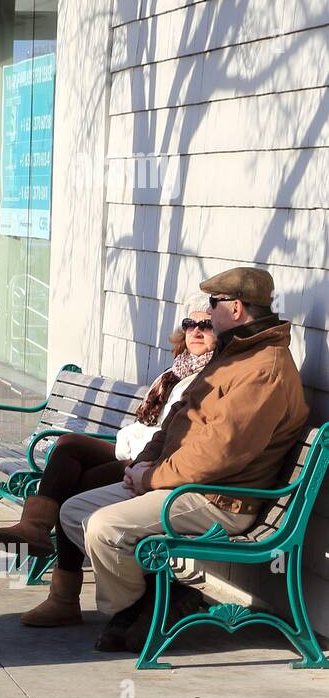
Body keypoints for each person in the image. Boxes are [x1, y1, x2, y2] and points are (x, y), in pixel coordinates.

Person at [59, 267, 310, 652]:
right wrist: (140, 467)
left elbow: (220, 451)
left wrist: (153, 478)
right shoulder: (234, 357)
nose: (208, 314)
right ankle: (158, 599)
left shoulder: (265, 369)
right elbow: (177, 422)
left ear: (237, 308)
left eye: (214, 304)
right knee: (75, 511)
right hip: (188, 486)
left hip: (221, 498)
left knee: (105, 527)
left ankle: (136, 609)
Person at [0, 296, 218, 626]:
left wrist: (135, 449)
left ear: (222, 331)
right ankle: (34, 529)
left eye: (206, 325)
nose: (196, 332)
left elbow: (169, 436)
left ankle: (63, 597)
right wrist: (131, 442)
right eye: (190, 324)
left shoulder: (211, 375)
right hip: (134, 450)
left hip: (155, 465)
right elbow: (150, 426)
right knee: (68, 446)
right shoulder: (178, 369)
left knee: (75, 487)